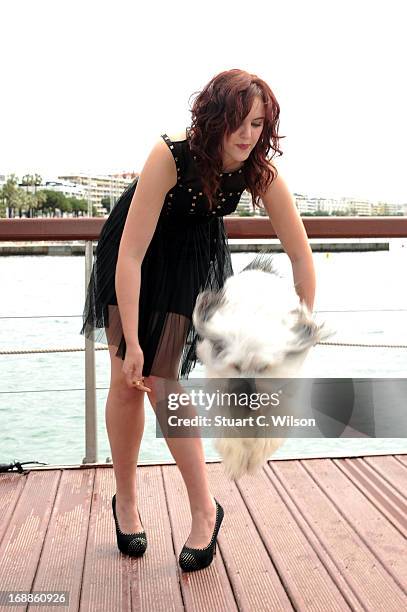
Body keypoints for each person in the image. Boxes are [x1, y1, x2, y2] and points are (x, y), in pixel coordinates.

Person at [80, 68, 316, 571]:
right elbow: (129, 255)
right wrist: (135, 346)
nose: (247, 135)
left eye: (257, 124)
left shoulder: (260, 171)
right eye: (238, 121)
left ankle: (205, 511)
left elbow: (300, 256)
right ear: (213, 117)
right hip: (133, 256)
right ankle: (126, 503)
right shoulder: (171, 155)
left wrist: (303, 327)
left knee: (165, 384)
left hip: (187, 262)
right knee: (128, 380)